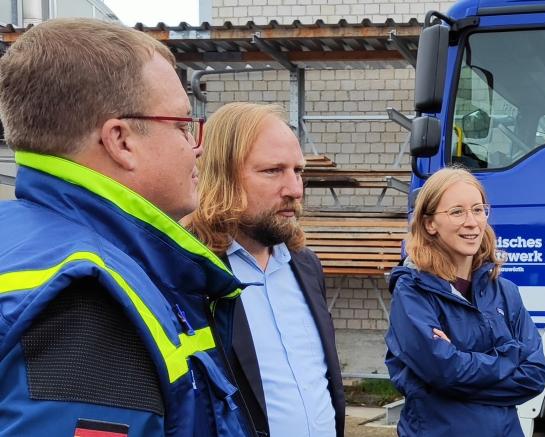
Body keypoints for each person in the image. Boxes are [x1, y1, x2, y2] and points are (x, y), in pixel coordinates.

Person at [0, 18, 252, 436]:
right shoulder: (86, 302)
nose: (197, 146)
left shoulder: (21, 238)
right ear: (120, 141)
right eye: (182, 125)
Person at [188, 102, 345, 437]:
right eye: (273, 171)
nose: (295, 190)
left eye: (298, 171)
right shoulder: (192, 274)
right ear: (222, 176)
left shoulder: (305, 266)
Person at [385, 167, 545, 436]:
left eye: (478, 209)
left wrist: (458, 374)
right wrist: (510, 354)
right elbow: (445, 371)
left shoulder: (506, 292)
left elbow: (534, 375)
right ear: (429, 223)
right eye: (457, 212)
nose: (472, 222)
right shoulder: (413, 293)